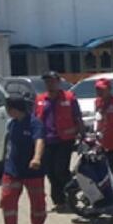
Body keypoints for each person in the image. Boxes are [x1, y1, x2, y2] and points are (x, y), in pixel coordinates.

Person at [0, 96, 47, 224]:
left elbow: (39, 141)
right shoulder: (12, 124)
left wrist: (36, 158)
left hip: (32, 171)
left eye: (7, 109)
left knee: (38, 203)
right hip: (12, 170)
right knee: (7, 200)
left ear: (14, 109)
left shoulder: (34, 123)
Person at [35, 71, 83, 212]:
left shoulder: (69, 97)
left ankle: (72, 195)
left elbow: (77, 118)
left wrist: (82, 135)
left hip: (64, 140)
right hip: (46, 141)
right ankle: (59, 201)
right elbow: (35, 121)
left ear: (58, 82)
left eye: (52, 81)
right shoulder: (40, 99)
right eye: (47, 81)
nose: (50, 84)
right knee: (50, 173)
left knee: (60, 170)